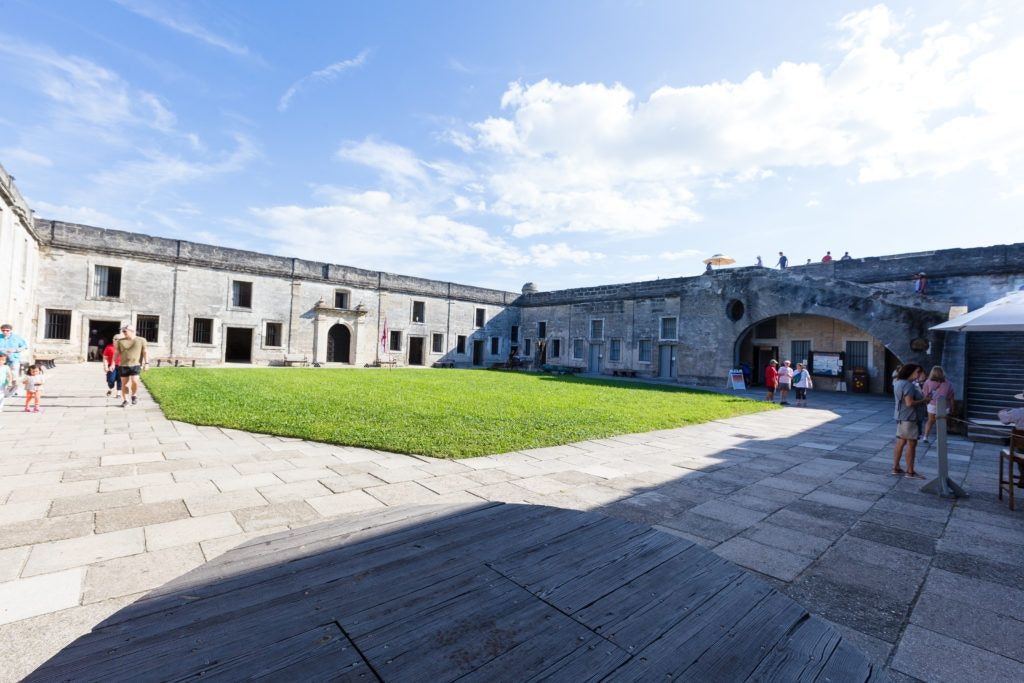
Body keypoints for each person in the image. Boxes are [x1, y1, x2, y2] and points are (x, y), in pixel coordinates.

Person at [892, 363, 930, 478]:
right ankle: (910, 471)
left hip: (901, 416)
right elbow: (909, 403)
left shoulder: (898, 382)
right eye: (917, 371)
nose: (919, 374)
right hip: (910, 418)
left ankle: (896, 468)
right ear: (910, 371)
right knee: (911, 444)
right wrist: (924, 400)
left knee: (900, 442)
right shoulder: (908, 385)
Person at [115, 325, 149, 407]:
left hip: (135, 364)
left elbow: (145, 352)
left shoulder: (141, 340)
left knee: (135, 381)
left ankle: (133, 395)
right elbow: (117, 352)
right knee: (124, 384)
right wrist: (112, 363)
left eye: (125, 331)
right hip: (123, 365)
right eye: (123, 331)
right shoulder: (120, 341)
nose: (123, 333)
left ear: (132, 331)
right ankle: (125, 400)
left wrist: (146, 363)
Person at [922, 366, 955, 443]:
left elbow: (925, 394)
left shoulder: (927, 382)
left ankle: (925, 437)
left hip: (932, 404)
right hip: (944, 405)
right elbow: (951, 397)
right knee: (942, 422)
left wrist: (926, 403)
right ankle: (941, 439)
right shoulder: (948, 383)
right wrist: (953, 407)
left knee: (930, 421)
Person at [0, 324, 29, 395]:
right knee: (3, 374)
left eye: (7, 331)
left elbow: (24, 346)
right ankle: (3, 389)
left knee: (14, 375)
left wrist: (15, 349)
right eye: (3, 330)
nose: (5, 332)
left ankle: (15, 390)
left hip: (14, 359)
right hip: (2, 359)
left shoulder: (16, 338)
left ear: (11, 330)